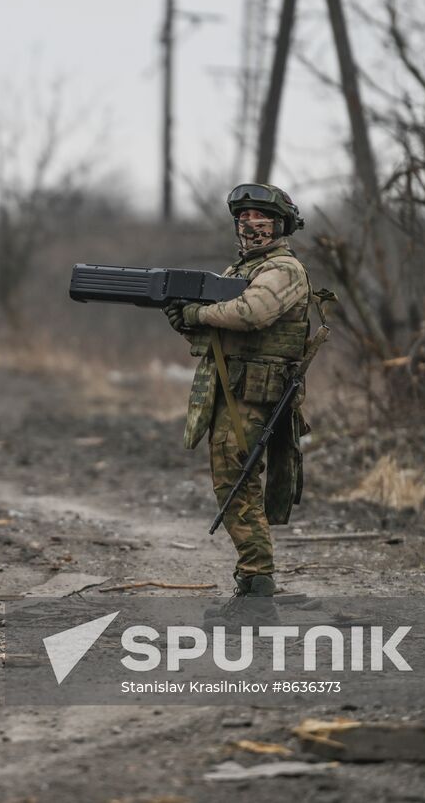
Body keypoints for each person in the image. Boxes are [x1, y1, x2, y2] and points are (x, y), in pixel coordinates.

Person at [164, 183, 318, 621]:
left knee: (239, 486)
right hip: (233, 388)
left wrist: (196, 313)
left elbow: (252, 313)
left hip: (255, 395)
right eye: (244, 217)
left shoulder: (283, 269)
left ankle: (258, 592)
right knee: (232, 484)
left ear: (282, 225)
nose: (251, 224)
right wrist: (187, 321)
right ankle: (253, 587)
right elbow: (222, 330)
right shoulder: (242, 269)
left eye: (261, 217)